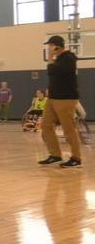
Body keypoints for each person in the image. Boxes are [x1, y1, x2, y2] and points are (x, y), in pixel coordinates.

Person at [39, 35, 82, 168]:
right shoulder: (58, 60)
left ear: (57, 46)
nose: (49, 48)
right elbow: (54, 75)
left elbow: (52, 71)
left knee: (69, 129)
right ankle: (55, 154)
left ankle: (76, 158)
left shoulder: (69, 58)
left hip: (66, 99)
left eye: (51, 45)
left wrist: (51, 58)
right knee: (46, 125)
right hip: (53, 98)